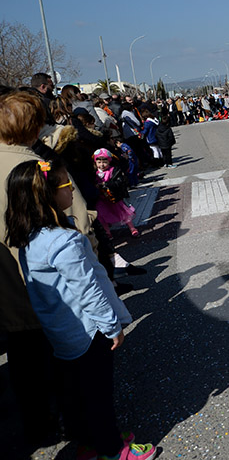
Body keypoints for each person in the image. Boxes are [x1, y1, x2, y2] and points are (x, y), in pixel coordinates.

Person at [4, 159, 156, 460]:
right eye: (65, 184)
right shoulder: (64, 241)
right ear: (48, 194)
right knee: (98, 395)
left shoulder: (29, 238)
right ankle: (113, 450)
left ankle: (89, 442)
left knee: (74, 393)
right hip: (88, 332)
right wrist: (112, 326)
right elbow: (89, 290)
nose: (72, 188)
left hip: (60, 334)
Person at [93, 149, 138, 238]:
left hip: (114, 197)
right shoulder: (95, 173)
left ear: (109, 161)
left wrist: (105, 184)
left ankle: (132, 228)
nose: (101, 165)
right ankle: (107, 232)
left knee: (123, 213)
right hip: (102, 198)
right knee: (102, 215)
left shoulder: (114, 171)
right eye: (99, 162)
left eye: (104, 162)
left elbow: (120, 182)